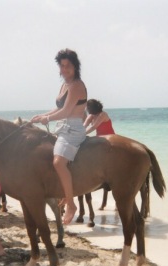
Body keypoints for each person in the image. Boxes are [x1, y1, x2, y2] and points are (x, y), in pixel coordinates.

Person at [31, 48, 87, 225]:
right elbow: (58, 109)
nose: (64, 69)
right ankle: (63, 191)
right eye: (61, 66)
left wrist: (47, 118)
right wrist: (42, 115)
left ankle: (71, 205)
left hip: (74, 129)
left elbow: (67, 111)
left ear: (75, 66)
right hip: (63, 127)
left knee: (58, 162)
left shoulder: (77, 85)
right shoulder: (64, 84)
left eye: (67, 66)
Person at [80, 99, 115, 210]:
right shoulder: (91, 115)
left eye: (88, 108)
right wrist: (78, 132)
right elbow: (84, 125)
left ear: (94, 107)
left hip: (109, 138)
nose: (87, 110)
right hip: (99, 139)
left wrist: (82, 134)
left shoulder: (103, 115)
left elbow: (94, 126)